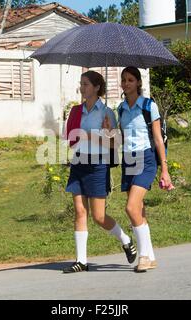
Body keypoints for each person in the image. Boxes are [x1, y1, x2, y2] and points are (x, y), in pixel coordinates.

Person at [62, 70, 137, 273]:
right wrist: (84, 135)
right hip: (78, 163)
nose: (82, 87)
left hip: (97, 166)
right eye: (81, 83)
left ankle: (126, 240)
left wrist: (105, 133)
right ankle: (81, 261)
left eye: (86, 84)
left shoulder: (106, 113)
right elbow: (69, 140)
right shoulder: (76, 111)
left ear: (96, 88)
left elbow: (114, 145)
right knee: (79, 211)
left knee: (99, 216)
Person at [118, 66, 173, 272]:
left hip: (147, 158)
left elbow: (159, 139)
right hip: (128, 159)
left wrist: (164, 170)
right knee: (138, 209)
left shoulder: (149, 106)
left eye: (130, 80)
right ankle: (150, 255)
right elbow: (121, 138)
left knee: (131, 208)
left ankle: (142, 256)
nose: (126, 83)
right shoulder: (121, 109)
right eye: (123, 80)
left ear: (138, 83)